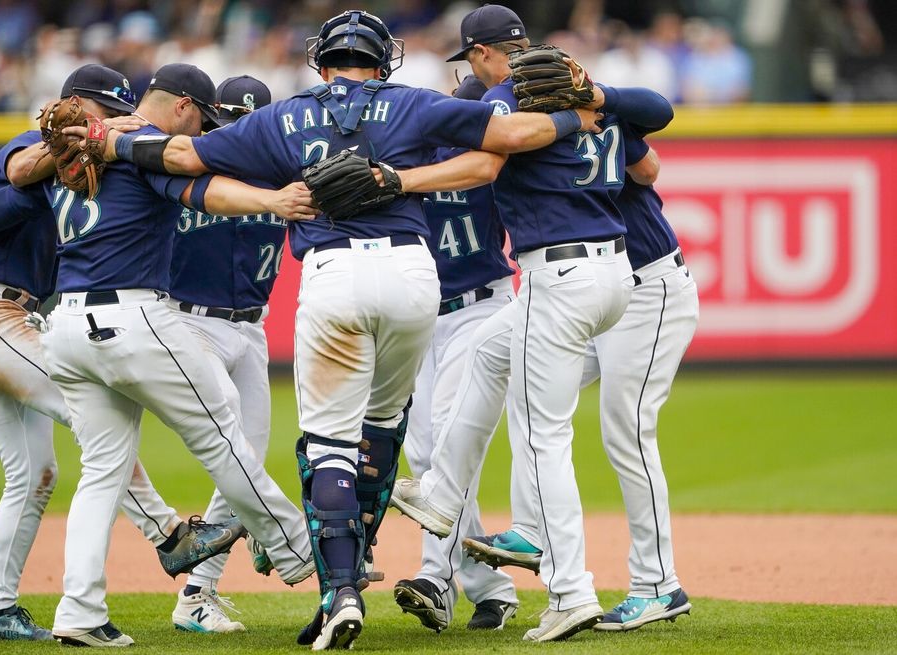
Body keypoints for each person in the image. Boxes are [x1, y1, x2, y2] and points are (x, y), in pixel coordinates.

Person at [91, 9, 602, 650]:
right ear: (383, 59)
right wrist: (579, 116)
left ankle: (340, 590)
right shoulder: (414, 103)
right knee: (384, 432)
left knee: (328, 443)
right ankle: (380, 558)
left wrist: (106, 142)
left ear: (322, 60)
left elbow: (187, 153)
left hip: (333, 275)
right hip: (415, 278)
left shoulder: (283, 116)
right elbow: (510, 135)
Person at [385, 3, 675, 642]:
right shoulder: (576, 91)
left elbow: (493, 149)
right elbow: (650, 159)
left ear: (486, 54)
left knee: (543, 434)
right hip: (611, 269)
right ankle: (440, 494)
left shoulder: (515, 105)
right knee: (491, 358)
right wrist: (588, 107)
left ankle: (571, 591)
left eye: (477, 61)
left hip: (560, 274)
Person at [0, 63, 243, 642]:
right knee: (93, 423)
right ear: (76, 104)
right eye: (103, 109)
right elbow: (20, 178)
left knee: (34, 475)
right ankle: (169, 536)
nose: (107, 121)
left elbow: (11, 211)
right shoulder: (40, 141)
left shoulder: (89, 165)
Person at [39, 63, 317, 647]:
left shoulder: (76, 155)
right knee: (222, 436)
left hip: (72, 322)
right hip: (151, 318)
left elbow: (8, 194)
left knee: (107, 474)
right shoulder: (143, 146)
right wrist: (271, 197)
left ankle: (79, 611)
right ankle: (295, 551)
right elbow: (197, 180)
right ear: (188, 108)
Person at [465, 127, 698, 632]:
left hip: (648, 285)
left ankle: (659, 585)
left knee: (629, 432)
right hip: (592, 294)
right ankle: (531, 528)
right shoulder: (550, 126)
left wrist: (600, 99)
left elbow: (650, 164)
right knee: (522, 380)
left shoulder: (583, 119)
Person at [392, 74, 519, 634]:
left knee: (447, 443)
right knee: (423, 454)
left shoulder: (493, 158)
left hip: (481, 308)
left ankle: (433, 577)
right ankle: (491, 585)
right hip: (423, 316)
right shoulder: (415, 154)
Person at [165, 74, 283, 634]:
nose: (233, 134)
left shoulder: (286, 174)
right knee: (233, 451)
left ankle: (199, 593)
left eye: (247, 126)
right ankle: (270, 536)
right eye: (226, 123)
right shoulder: (186, 168)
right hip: (191, 325)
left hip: (252, 330)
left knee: (248, 462)